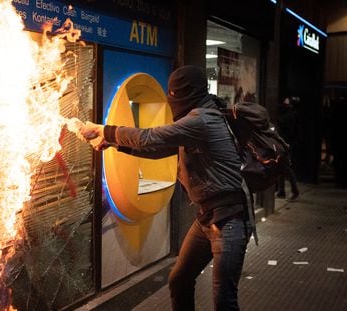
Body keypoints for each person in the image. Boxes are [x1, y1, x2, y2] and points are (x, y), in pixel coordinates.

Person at [77, 65, 255, 310]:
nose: (171, 100)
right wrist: (113, 143)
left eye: (173, 94)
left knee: (224, 300)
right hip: (207, 218)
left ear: (184, 93)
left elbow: (150, 137)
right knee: (180, 280)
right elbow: (159, 149)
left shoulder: (201, 120)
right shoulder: (198, 117)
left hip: (230, 220)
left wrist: (103, 130)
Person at [276, 96, 300, 202]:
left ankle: (295, 191)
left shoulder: (291, 115)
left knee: (286, 168)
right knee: (281, 167)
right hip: (284, 143)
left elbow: (288, 130)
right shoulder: (290, 114)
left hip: (285, 144)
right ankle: (281, 191)